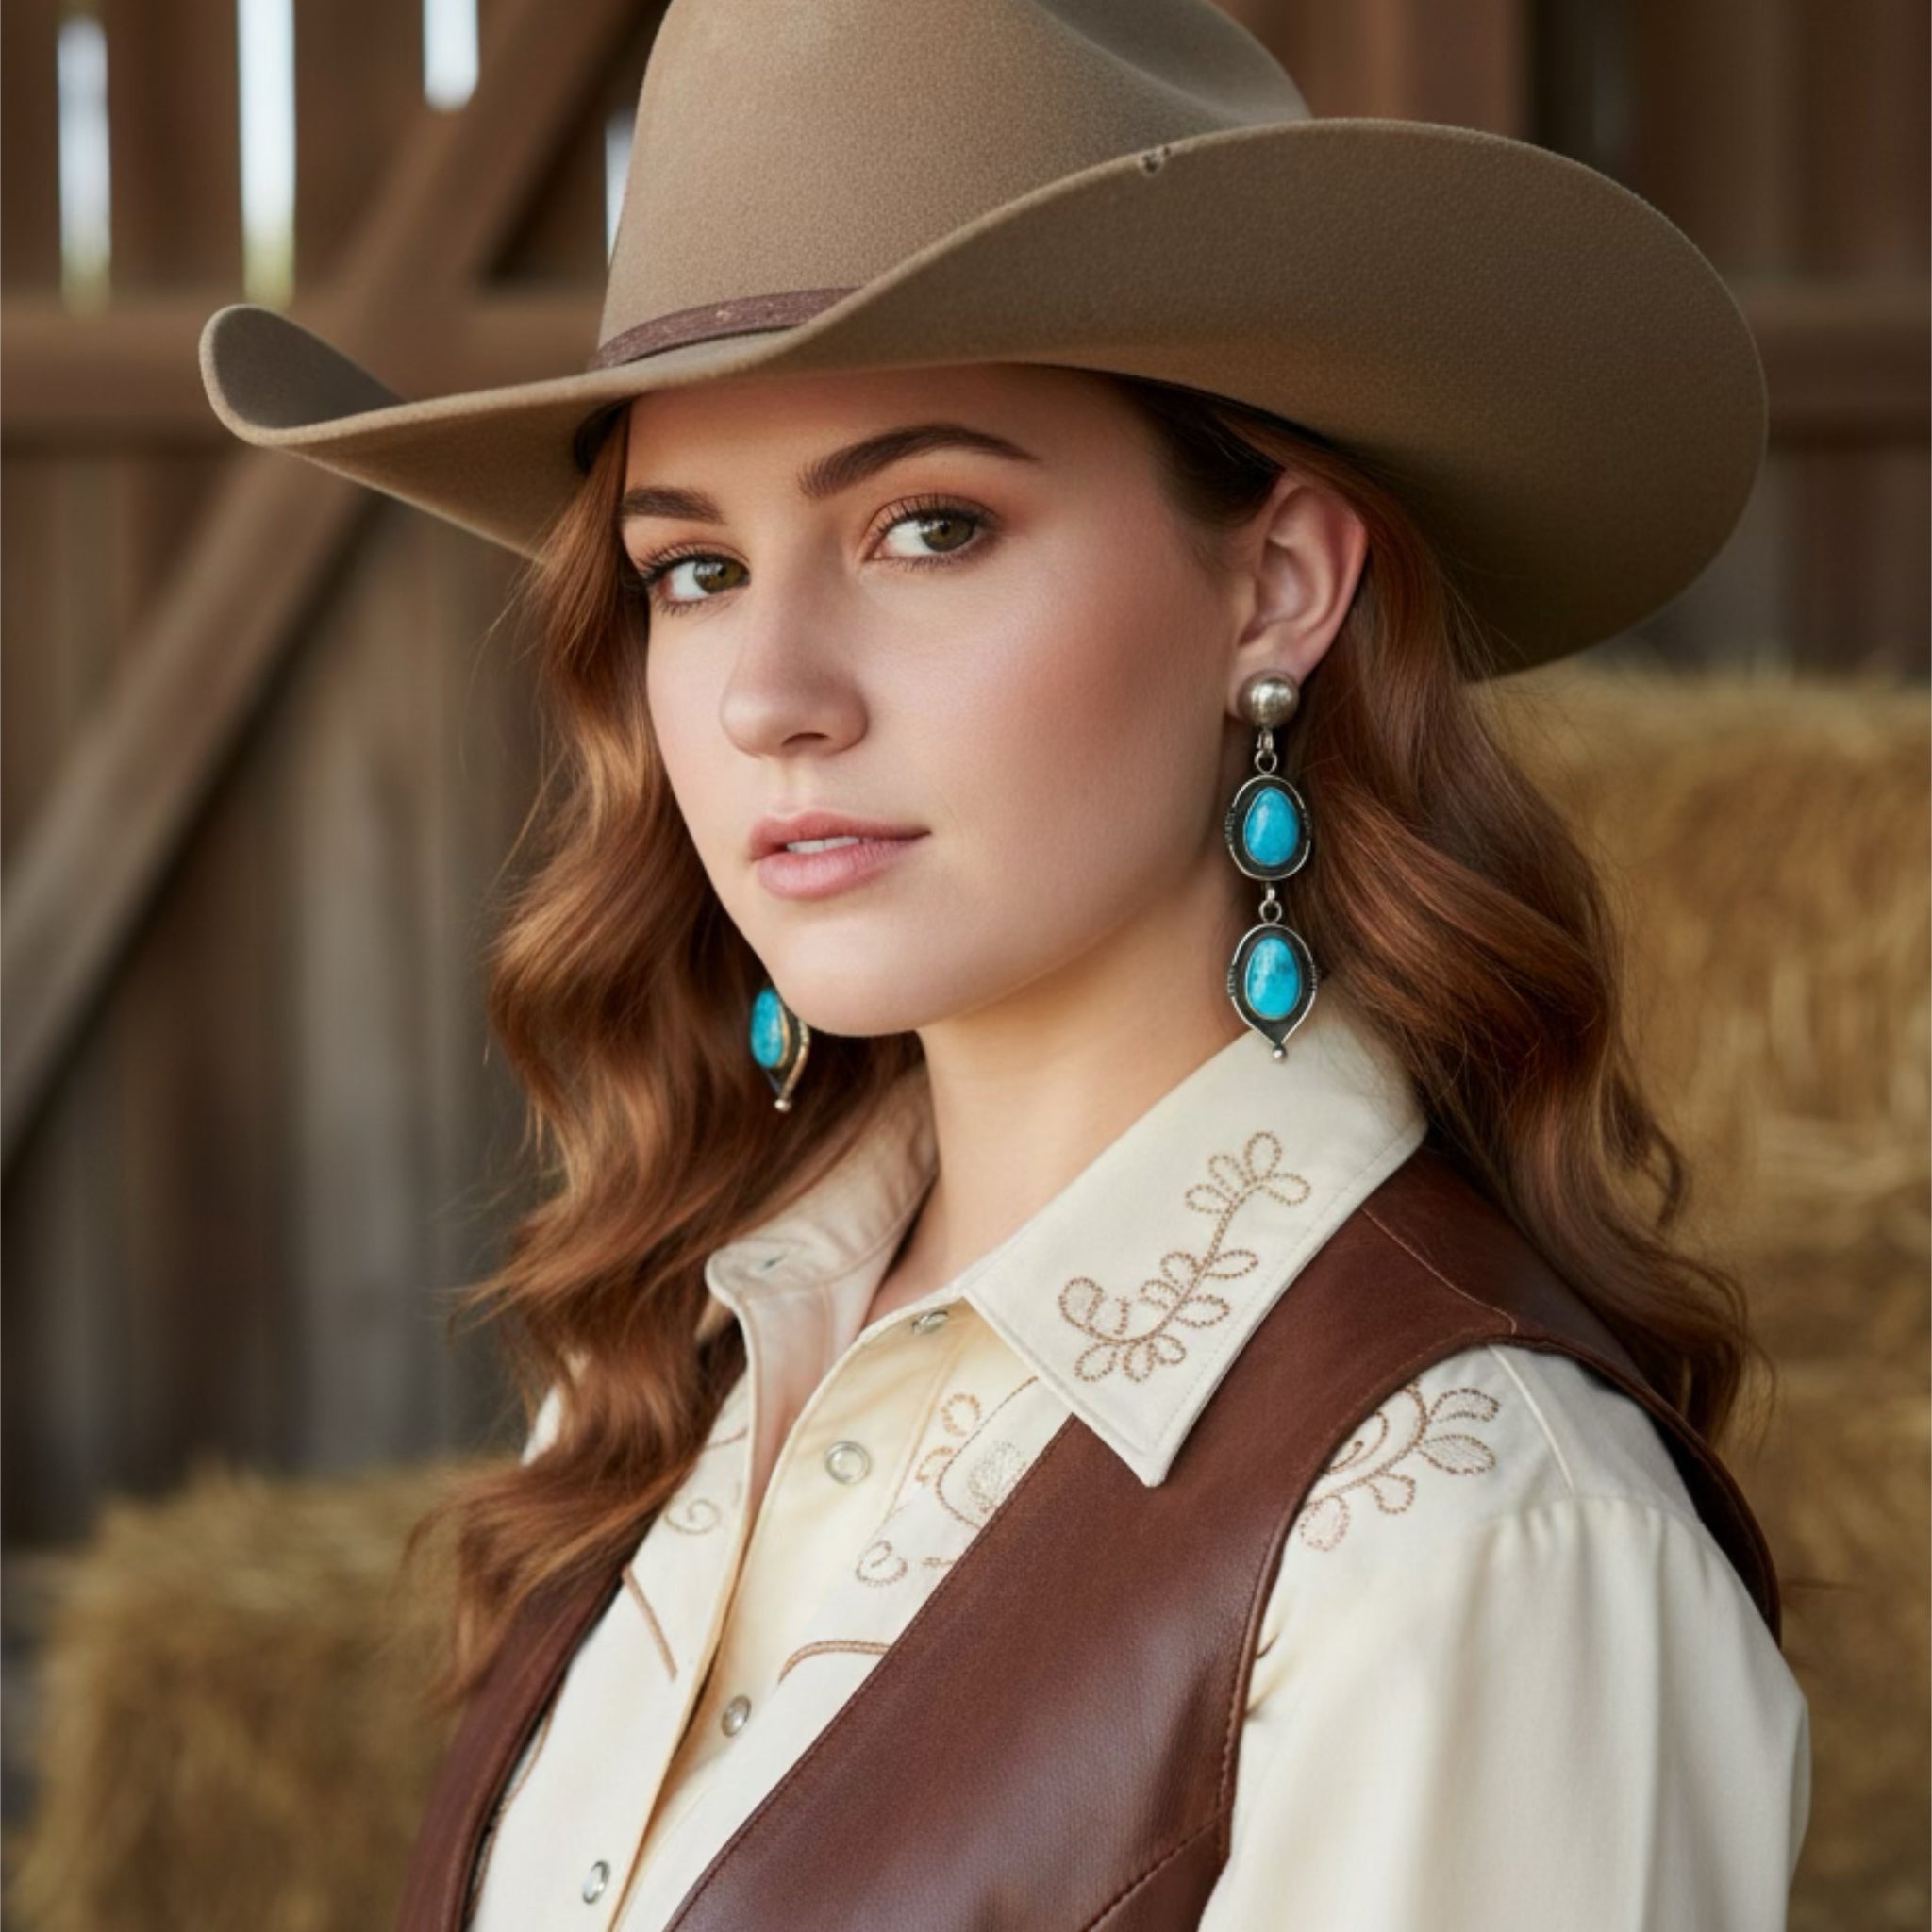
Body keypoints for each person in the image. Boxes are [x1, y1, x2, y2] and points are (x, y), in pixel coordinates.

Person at [199, 2, 1811, 1926]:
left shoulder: (1470, 1544)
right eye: (691, 567)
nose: (773, 696)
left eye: (928, 525)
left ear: (1275, 582)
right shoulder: (679, 1352)